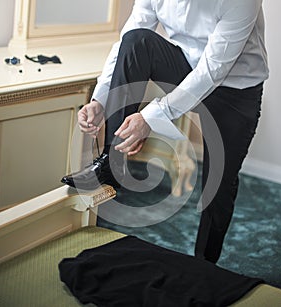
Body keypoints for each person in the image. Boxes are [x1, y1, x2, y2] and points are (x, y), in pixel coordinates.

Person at [61, 0, 269, 263]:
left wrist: (150, 117)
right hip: (186, 66)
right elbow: (127, 42)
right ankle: (111, 163)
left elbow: (212, 71)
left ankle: (205, 264)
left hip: (235, 90)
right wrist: (99, 100)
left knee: (219, 183)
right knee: (137, 41)